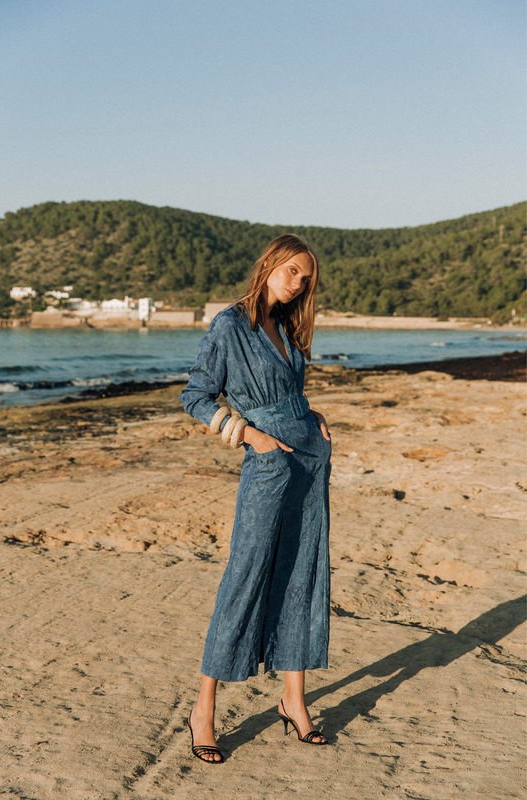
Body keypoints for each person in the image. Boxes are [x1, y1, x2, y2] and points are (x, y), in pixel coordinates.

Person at [180, 233, 331, 763]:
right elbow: (195, 395)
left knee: (301, 573)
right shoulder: (229, 326)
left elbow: (290, 392)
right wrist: (247, 435)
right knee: (245, 576)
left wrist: (312, 416)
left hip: (311, 464)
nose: (297, 285)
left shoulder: (285, 327)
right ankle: (204, 709)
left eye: (305, 279)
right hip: (269, 465)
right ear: (268, 264)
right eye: (292, 272)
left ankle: (294, 700)